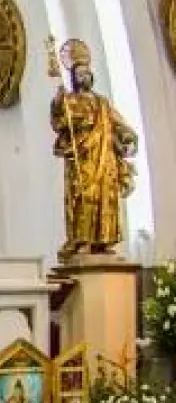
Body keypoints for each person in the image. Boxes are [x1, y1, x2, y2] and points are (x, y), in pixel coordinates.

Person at [50, 39, 137, 260]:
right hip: (83, 159)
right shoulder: (70, 102)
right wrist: (59, 101)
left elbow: (120, 124)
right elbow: (59, 123)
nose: (85, 77)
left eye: (87, 73)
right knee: (81, 198)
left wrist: (127, 137)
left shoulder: (103, 104)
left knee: (104, 199)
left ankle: (103, 241)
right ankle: (81, 239)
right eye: (80, 74)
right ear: (74, 78)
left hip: (103, 159)